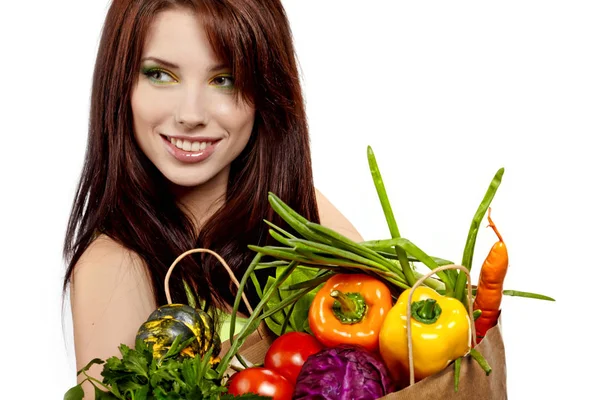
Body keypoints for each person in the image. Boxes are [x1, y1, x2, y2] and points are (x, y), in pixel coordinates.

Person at [62, 0, 362, 397]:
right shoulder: (114, 265)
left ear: (267, 93)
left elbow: (394, 346)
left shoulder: (298, 212)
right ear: (121, 85)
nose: (191, 114)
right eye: (161, 75)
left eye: (225, 80)